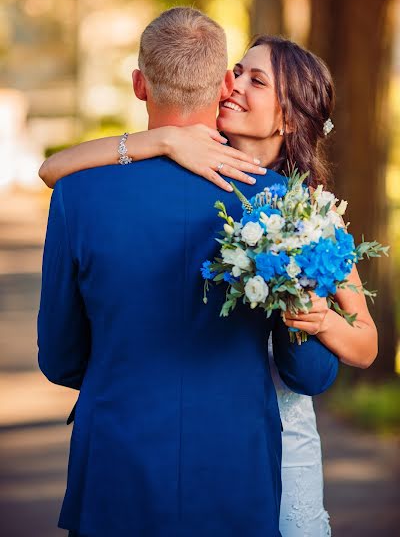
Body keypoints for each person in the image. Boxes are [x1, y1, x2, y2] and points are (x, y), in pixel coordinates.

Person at [40, 27, 378, 535]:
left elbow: (61, 357)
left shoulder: (302, 216)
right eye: (238, 73)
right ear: (220, 82)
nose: (237, 86)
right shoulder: (272, 202)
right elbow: (310, 374)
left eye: (256, 80)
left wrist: (316, 315)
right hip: (236, 467)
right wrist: (164, 140)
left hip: (122, 460)